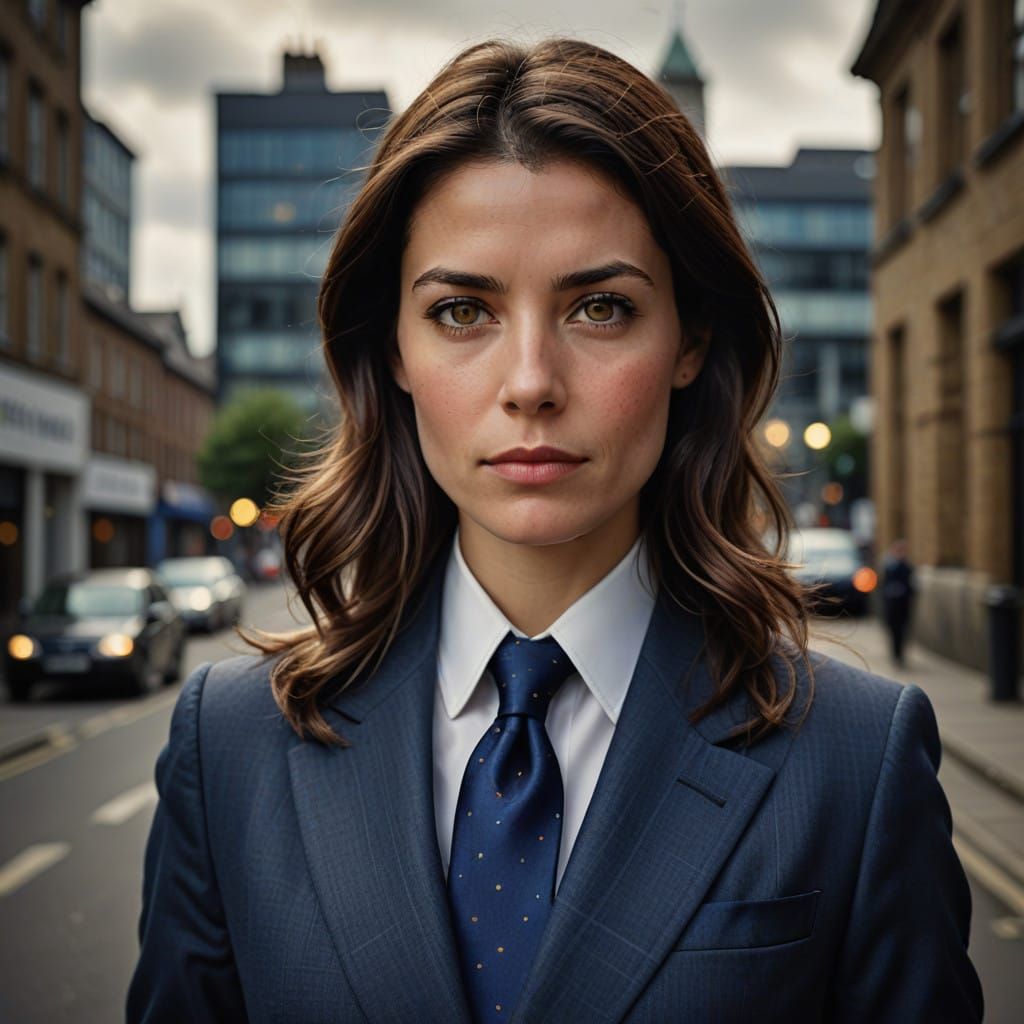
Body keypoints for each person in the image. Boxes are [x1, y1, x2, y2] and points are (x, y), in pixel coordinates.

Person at [127, 38, 983, 1023]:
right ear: (393, 350)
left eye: (599, 306)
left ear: (689, 341)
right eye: (461, 310)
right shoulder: (230, 745)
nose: (530, 382)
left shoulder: (853, 757)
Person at [881, 537, 916, 668]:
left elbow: (911, 587)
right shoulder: (889, 566)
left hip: (903, 605)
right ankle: (895, 654)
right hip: (891, 605)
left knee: (902, 630)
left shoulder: (907, 567)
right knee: (893, 630)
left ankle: (900, 655)